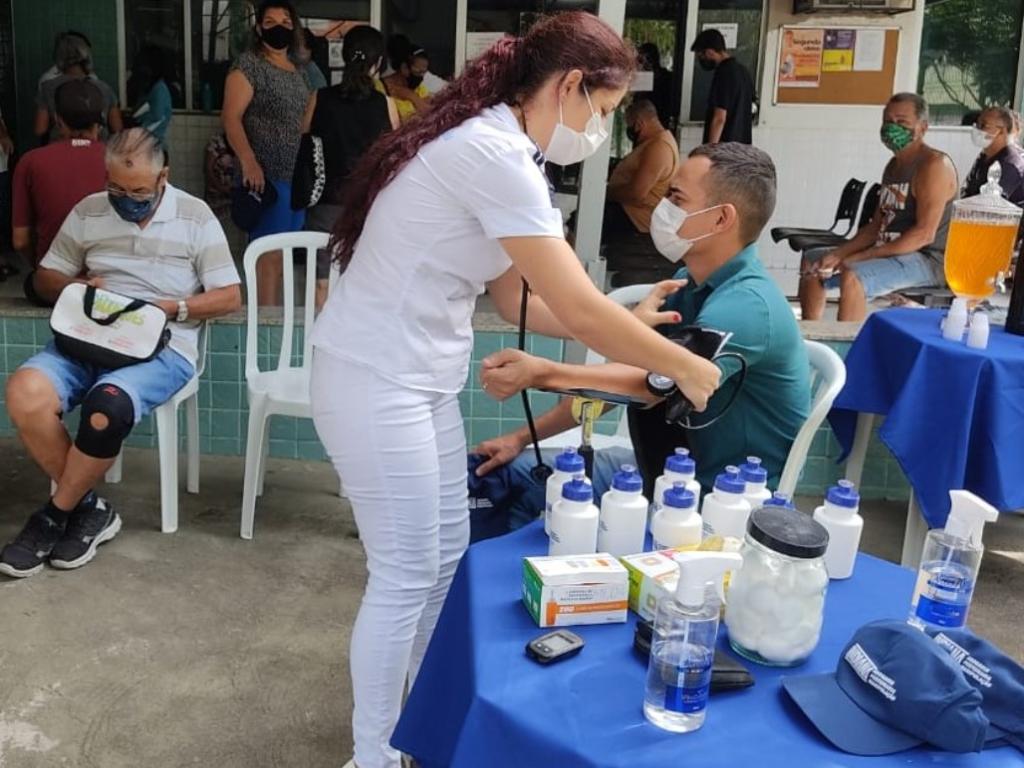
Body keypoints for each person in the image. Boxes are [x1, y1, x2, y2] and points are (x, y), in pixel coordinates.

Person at [308, 13, 721, 768]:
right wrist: (682, 364)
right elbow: (573, 307)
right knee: (403, 575)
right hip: (375, 378)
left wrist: (627, 324)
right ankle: (372, 756)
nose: (600, 130)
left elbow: (516, 298)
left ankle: (422, 731)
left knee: (444, 561)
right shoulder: (492, 153)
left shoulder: (504, 149)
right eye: (602, 110)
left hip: (417, 380)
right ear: (570, 85)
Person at [476, 142, 810, 528]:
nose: (662, 208)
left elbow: (652, 386)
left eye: (676, 198)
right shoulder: (688, 284)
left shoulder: (747, 306)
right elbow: (624, 379)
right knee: (503, 481)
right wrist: (521, 438)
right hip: (660, 474)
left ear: (721, 219)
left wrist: (543, 373)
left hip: (720, 502)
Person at [0, 128, 241, 579]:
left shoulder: (195, 216)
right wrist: (75, 285)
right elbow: (46, 277)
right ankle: (90, 509)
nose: (127, 200)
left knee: (105, 409)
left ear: (163, 177)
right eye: (117, 189)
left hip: (163, 346)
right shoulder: (89, 211)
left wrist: (173, 307)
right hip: (89, 337)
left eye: (139, 192)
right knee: (24, 394)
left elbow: (230, 296)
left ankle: (53, 515)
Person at [799, 93, 957, 322]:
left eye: (902, 122)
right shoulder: (893, 166)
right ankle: (810, 334)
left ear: (923, 128)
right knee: (813, 261)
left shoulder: (934, 165)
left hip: (928, 260)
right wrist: (838, 254)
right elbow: (875, 227)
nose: (893, 127)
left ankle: (849, 342)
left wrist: (862, 257)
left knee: (853, 275)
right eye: (887, 121)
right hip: (891, 251)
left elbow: (924, 234)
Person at [301, 24, 398, 308]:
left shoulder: (319, 98)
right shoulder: (386, 104)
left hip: (325, 206)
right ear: (378, 63)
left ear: (344, 57)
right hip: (369, 207)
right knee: (367, 281)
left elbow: (305, 144)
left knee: (323, 280)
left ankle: (321, 334)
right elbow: (394, 157)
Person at [222, 0, 311, 305]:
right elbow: (231, 117)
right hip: (267, 176)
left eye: (285, 22)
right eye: (270, 22)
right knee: (268, 254)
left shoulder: (299, 71)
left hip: (295, 177)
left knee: (284, 254)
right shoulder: (248, 66)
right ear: (259, 29)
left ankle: (275, 318)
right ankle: (265, 323)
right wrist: (248, 162)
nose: (279, 28)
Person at [12, 80, 107, 303]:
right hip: (109, 284)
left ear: (57, 120)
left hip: (56, 287)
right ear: (99, 123)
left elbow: (20, 241)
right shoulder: (120, 160)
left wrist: (44, 268)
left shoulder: (31, 161)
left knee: (35, 281)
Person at [603, 98, 679, 245]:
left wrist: (604, 194)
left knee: (581, 221)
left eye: (630, 125)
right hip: (630, 211)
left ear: (639, 124)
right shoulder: (658, 141)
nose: (629, 130)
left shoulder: (658, 147)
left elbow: (636, 194)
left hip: (636, 217)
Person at [35, 33, 122, 144]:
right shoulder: (105, 88)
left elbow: (40, 129)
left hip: (61, 148)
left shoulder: (48, 87)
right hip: (98, 150)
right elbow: (117, 129)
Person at [691, 28, 753, 145]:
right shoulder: (743, 71)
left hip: (724, 147)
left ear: (709, 51)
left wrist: (710, 149)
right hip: (742, 147)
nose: (701, 60)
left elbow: (719, 118)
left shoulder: (723, 73)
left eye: (701, 56)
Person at [962, 105, 1024, 206]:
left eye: (983, 125)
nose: (977, 130)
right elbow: (968, 190)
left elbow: (992, 205)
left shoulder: (1010, 164)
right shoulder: (984, 157)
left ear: (1002, 131)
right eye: (977, 124)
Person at [127, 45, 175, 145]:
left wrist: (137, 130)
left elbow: (157, 118)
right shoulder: (148, 88)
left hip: (153, 145)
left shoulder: (159, 89)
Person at [381, 45, 431, 122]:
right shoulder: (381, 87)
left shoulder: (419, 88)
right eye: (418, 72)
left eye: (423, 72)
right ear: (404, 67)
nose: (421, 77)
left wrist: (412, 96)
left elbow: (429, 114)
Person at [636, 42, 674, 128]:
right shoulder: (642, 78)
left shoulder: (667, 78)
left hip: (660, 122)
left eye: (640, 60)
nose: (639, 64)